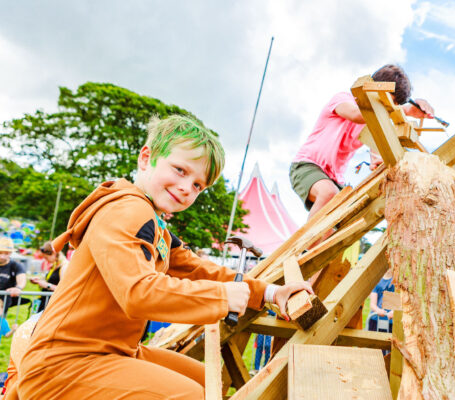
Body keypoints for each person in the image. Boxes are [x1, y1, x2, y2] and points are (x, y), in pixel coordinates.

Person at [16, 114, 312, 399]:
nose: (186, 188)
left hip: (112, 350)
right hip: (64, 364)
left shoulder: (155, 225)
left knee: (209, 381)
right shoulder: (127, 211)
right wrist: (221, 297)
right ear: (146, 158)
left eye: (198, 185)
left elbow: (198, 269)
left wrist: (272, 292)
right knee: (190, 396)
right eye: (180, 170)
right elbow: (138, 293)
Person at [289, 64, 434, 219]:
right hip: (307, 165)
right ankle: (310, 243)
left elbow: (377, 152)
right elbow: (355, 114)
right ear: (372, 88)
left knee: (346, 220)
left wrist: (379, 163)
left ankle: (321, 240)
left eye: (392, 105)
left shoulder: (372, 124)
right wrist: (402, 110)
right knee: (328, 194)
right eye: (386, 102)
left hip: (335, 180)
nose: (387, 108)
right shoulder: (343, 99)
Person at [29, 241, 68, 311]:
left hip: (53, 305)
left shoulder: (64, 267)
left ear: (54, 253)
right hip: (45, 302)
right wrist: (39, 281)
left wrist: (47, 285)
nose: (45, 260)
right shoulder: (55, 265)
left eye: (46, 257)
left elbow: (64, 289)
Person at [0, 238, 28, 316]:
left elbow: (21, 279)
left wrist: (18, 288)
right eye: (0, 253)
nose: (2, 256)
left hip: (4, 299)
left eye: (6, 253)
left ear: (10, 253)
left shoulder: (15, 265)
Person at [367, 267, 394, 334]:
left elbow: (400, 301)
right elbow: (372, 304)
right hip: (376, 319)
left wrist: (394, 312)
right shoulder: (377, 281)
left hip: (391, 321)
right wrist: (378, 310)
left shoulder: (395, 282)